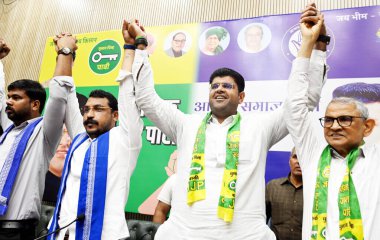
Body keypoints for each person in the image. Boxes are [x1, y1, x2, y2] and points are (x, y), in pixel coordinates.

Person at [128, 3, 327, 238]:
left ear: (241, 96)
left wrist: (319, 44)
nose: (219, 89)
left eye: (227, 86)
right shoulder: (185, 125)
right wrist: (140, 47)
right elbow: (146, 98)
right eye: (214, 86)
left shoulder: (261, 127)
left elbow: (303, 100)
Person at [284, 8, 380, 240]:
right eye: (328, 120)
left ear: (367, 127)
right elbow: (295, 104)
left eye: (345, 119)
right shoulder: (312, 153)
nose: (334, 126)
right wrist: (313, 44)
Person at [47, 23, 143, 240]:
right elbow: (67, 92)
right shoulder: (80, 138)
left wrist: (129, 48)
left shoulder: (126, 140)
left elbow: (128, 93)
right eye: (87, 109)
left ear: (116, 115)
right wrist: (65, 53)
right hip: (63, 234)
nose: (90, 114)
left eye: (99, 109)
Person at [0, 37, 67, 239]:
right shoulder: (7, 130)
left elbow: (58, 97)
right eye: (9, 98)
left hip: (16, 231)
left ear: (35, 105)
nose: (9, 102)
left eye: (16, 98)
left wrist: (64, 52)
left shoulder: (44, 133)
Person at [266, 147, 303, 240]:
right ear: (289, 160)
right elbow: (260, 221)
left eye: (302, 157)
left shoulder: (315, 191)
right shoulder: (272, 187)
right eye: (295, 157)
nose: (298, 162)